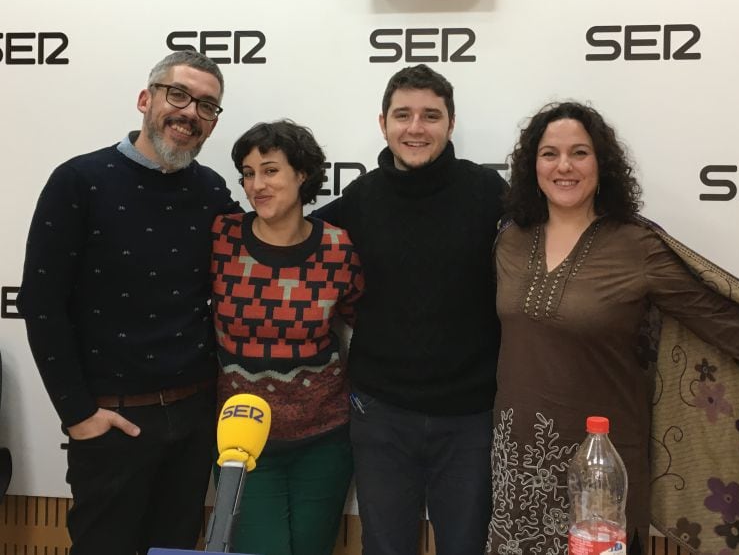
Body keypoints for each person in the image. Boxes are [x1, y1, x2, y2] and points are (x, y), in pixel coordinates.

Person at [486, 101, 739, 555]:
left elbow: (721, 322)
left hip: (601, 466)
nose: (564, 166)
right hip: (517, 460)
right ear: (531, 165)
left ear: (602, 163)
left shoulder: (636, 245)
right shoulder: (510, 239)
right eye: (549, 154)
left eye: (580, 153)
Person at [17, 50, 240, 555]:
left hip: (193, 420)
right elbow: (42, 303)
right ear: (147, 99)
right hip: (112, 424)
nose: (190, 113)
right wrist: (78, 415)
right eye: (178, 94)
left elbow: (261, 246)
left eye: (207, 106)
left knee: (177, 549)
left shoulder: (210, 190)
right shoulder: (79, 180)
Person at [314, 64, 507, 555]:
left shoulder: (488, 193)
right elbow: (292, 235)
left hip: (470, 416)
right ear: (383, 124)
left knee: (465, 547)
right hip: (380, 412)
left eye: (430, 115)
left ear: (451, 122)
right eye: (403, 115)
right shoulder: (362, 197)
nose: (415, 128)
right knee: (385, 547)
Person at [211, 120, 365, 555]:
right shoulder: (222, 239)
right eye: (247, 172)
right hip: (241, 443)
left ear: (302, 174)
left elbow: (363, 322)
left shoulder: (338, 248)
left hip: (324, 440)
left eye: (270, 170)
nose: (256, 184)